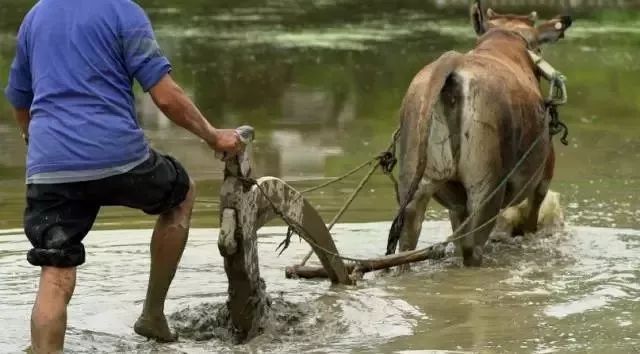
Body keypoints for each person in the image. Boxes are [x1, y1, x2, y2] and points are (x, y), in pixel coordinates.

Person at [4, 0, 243, 352]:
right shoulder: (122, 11)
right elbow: (165, 97)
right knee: (181, 192)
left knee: (54, 270)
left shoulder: (35, 17)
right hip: (119, 156)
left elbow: (21, 101)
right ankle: (152, 315)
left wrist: (37, 143)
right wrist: (213, 135)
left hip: (50, 165)